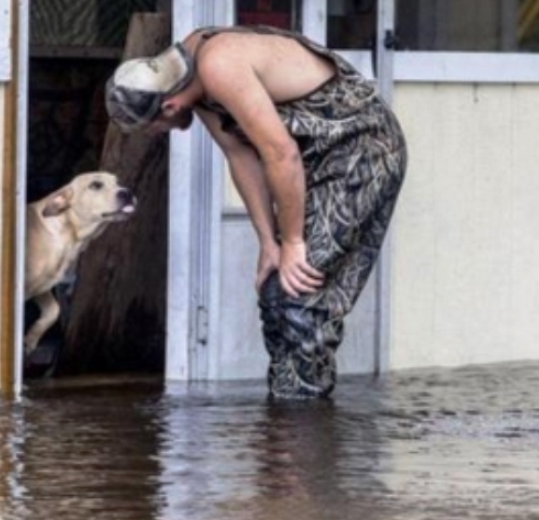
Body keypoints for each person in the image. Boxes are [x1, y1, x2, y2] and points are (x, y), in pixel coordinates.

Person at [105, 24, 407, 399]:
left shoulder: (218, 65)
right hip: (316, 158)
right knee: (273, 290)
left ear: (169, 105)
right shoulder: (189, 74)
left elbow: (281, 154)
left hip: (362, 149)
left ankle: (302, 429)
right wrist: (269, 242)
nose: (162, 133)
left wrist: (293, 240)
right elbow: (240, 153)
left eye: (154, 129)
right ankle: (284, 420)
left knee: (298, 293)